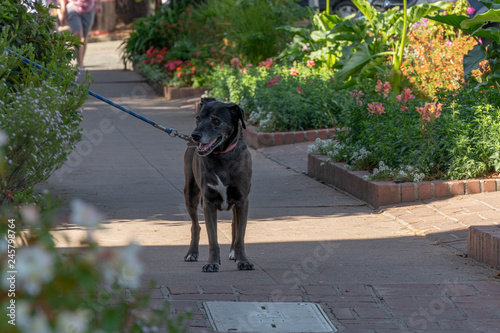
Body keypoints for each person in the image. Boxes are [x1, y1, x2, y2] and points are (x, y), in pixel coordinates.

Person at [59, 0, 103, 71]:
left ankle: (81, 62)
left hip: (89, 7)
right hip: (73, 7)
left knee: (84, 37)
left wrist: (98, 4)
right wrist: (63, 9)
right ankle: (79, 64)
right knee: (78, 35)